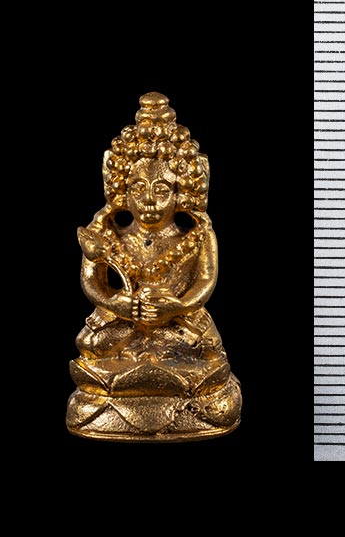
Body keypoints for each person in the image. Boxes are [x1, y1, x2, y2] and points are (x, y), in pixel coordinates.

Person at [66, 92, 241, 441]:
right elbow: (91, 283)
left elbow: (205, 282)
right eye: (137, 188)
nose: (148, 201)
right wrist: (117, 305)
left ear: (181, 192)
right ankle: (128, 390)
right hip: (123, 322)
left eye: (161, 190)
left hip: (179, 324)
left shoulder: (197, 235)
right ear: (121, 189)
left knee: (208, 355)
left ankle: (168, 392)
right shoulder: (108, 233)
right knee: (91, 343)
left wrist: (177, 307)